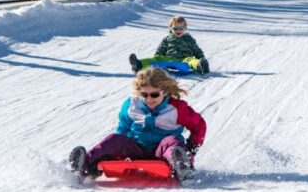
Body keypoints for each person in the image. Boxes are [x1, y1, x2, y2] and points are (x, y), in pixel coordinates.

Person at [69, 66, 206, 181]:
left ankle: (183, 166)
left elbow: (199, 126)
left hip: (162, 151)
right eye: (144, 94)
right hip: (136, 148)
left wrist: (191, 149)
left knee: (172, 141)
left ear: (164, 92)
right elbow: (123, 127)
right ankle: (85, 167)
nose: (148, 99)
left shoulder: (177, 109)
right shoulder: (131, 106)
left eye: (154, 95)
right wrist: (116, 149)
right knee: (114, 139)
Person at [129, 15, 210, 75]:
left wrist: (201, 59)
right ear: (170, 28)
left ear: (185, 28)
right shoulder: (167, 39)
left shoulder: (189, 39)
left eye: (180, 28)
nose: (178, 30)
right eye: (175, 28)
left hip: (184, 60)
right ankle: (139, 64)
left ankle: (200, 66)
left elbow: (196, 50)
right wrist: (158, 58)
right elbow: (161, 49)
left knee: (191, 60)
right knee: (155, 58)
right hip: (169, 59)